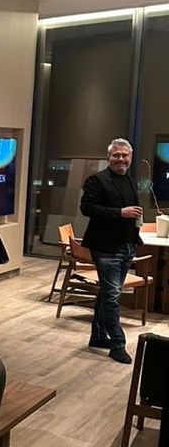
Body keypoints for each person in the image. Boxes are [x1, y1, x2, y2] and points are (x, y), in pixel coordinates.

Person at [80, 138, 142, 364]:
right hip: (106, 247)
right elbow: (87, 208)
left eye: (125, 155)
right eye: (116, 155)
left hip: (127, 245)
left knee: (108, 293)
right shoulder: (97, 180)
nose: (121, 159)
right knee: (113, 296)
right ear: (109, 157)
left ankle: (98, 336)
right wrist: (120, 212)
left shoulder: (131, 181)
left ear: (130, 158)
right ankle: (118, 343)